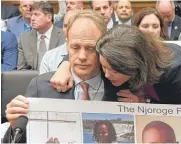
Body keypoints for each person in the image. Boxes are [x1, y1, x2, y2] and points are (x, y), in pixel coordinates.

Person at [2, 9, 118, 143]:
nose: (82, 56)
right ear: (66, 42)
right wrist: (14, 126)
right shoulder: (41, 87)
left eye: (90, 48)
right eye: (75, 47)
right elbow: (20, 140)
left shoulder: (119, 86)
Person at [52, 25, 181, 105]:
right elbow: (82, 52)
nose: (105, 75)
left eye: (113, 70)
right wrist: (65, 65)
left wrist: (145, 102)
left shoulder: (174, 69)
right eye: (103, 67)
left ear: (133, 66)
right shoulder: (110, 58)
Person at [17, 1, 65, 70]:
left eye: (36, 14)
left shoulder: (63, 36)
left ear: (48, 17)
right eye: (32, 15)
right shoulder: (24, 38)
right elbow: (21, 69)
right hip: (31, 79)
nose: (32, 18)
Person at [39, 9, 80, 74]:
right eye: (65, 26)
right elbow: (42, 83)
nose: (68, 30)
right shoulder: (49, 57)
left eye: (72, 25)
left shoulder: (93, 55)